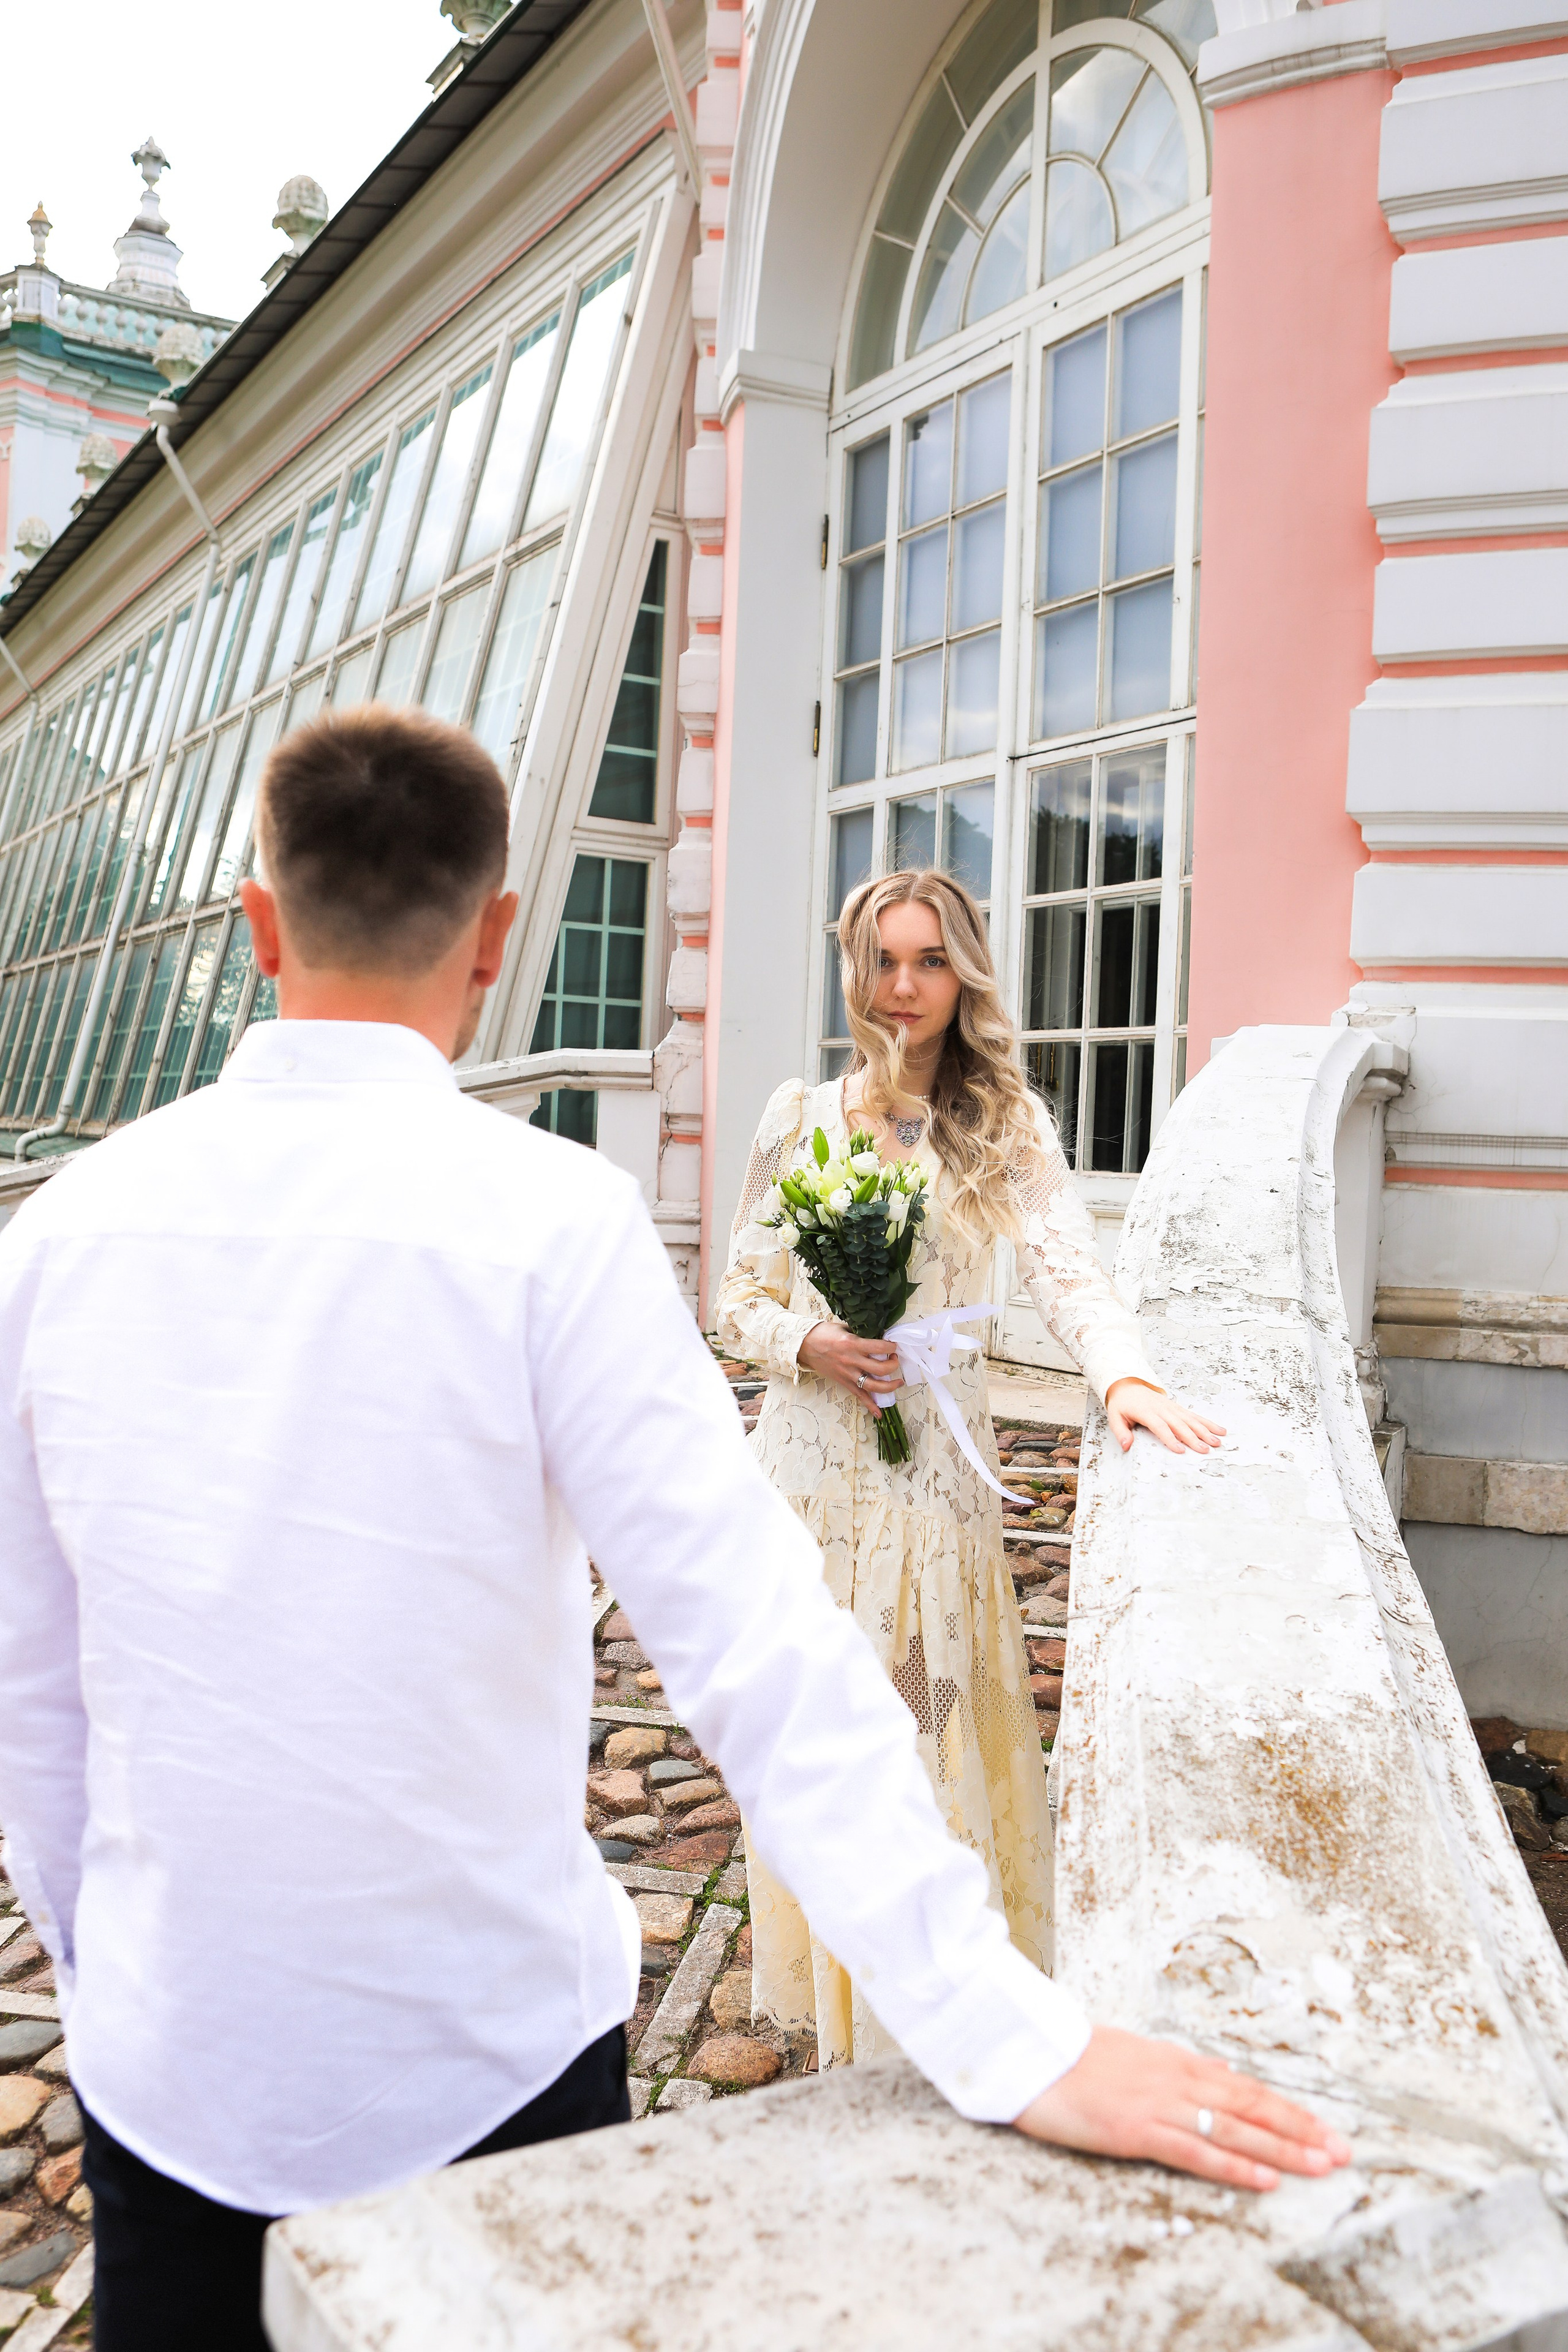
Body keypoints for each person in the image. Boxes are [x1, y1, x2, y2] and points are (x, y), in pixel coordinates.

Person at [0, 714, 1344, 2352]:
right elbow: (761, 1650)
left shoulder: (52, 1243)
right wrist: (1005, 2031)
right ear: (500, 935)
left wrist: (101, 1968)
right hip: (484, 2064)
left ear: (254, 920)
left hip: (174, 2068)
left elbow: (34, 1691)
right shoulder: (552, 1224)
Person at [716, 867, 1223, 2070]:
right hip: (802, 1480)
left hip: (928, 1481)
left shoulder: (1001, 1125)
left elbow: (1067, 1274)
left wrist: (1123, 1377)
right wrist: (812, 1342)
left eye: (928, 961)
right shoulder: (797, 1116)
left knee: (918, 1734)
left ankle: (923, 2017)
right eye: (882, 960)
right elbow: (736, 1294)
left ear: (963, 974)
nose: (904, 986)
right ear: (855, 973)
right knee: (817, 1741)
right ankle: (835, 2021)